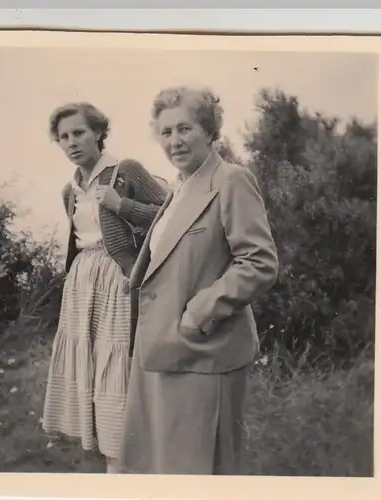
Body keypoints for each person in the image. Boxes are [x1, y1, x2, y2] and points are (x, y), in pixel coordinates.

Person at [118, 87, 279, 475]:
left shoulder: (230, 180)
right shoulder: (178, 189)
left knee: (200, 472)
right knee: (162, 468)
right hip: (160, 353)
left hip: (204, 354)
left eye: (185, 129)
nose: (174, 141)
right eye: (166, 132)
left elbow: (259, 262)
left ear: (209, 131)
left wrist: (197, 314)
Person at [42, 102, 168, 474]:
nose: (72, 142)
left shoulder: (124, 171)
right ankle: (105, 453)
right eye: (64, 137)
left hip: (117, 278)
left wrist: (122, 204)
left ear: (98, 132)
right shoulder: (70, 189)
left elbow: (172, 215)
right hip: (83, 282)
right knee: (90, 363)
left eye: (79, 132)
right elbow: (78, 240)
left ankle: (123, 461)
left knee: (117, 366)